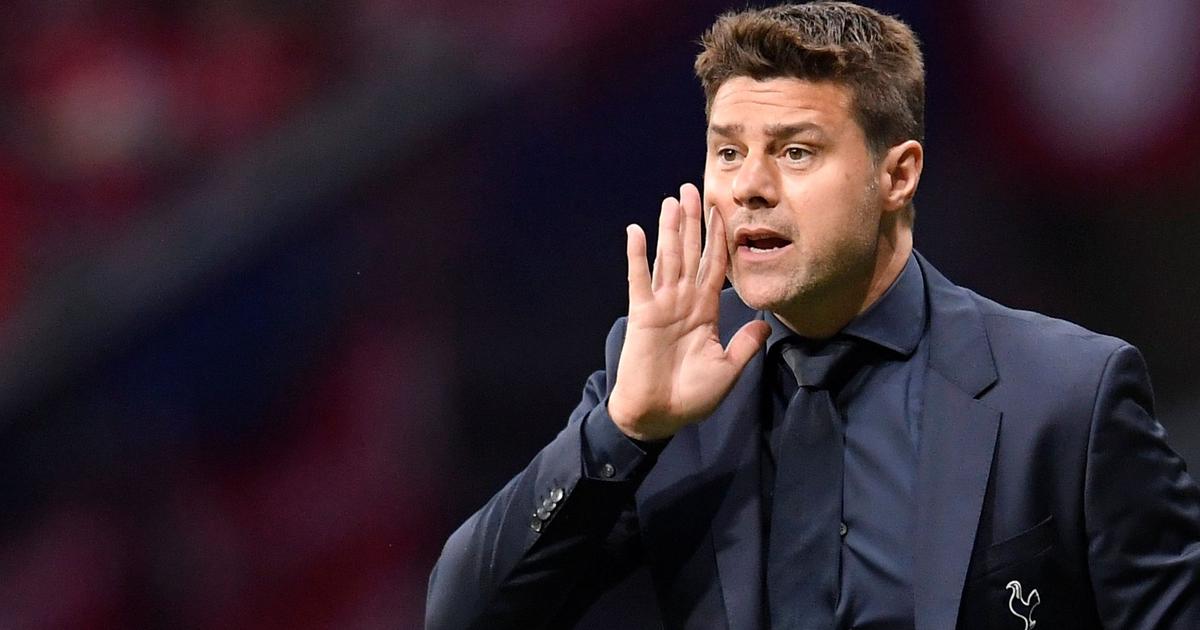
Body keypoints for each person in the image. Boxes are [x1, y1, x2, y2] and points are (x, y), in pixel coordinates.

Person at [426, 3, 1200, 628]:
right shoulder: (662, 395)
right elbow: (465, 611)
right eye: (729, 154)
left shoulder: (1065, 392)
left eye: (796, 152)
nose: (752, 188)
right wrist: (620, 431)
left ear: (895, 176)